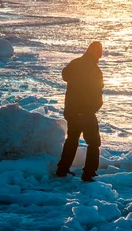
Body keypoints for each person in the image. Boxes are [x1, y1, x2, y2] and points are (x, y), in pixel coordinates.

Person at [55, 41, 104, 182]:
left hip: (71, 111)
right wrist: (94, 108)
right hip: (85, 112)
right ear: (97, 53)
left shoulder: (75, 62)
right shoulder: (95, 70)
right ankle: (89, 173)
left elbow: (65, 75)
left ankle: (62, 170)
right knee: (94, 142)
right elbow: (98, 91)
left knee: (72, 140)